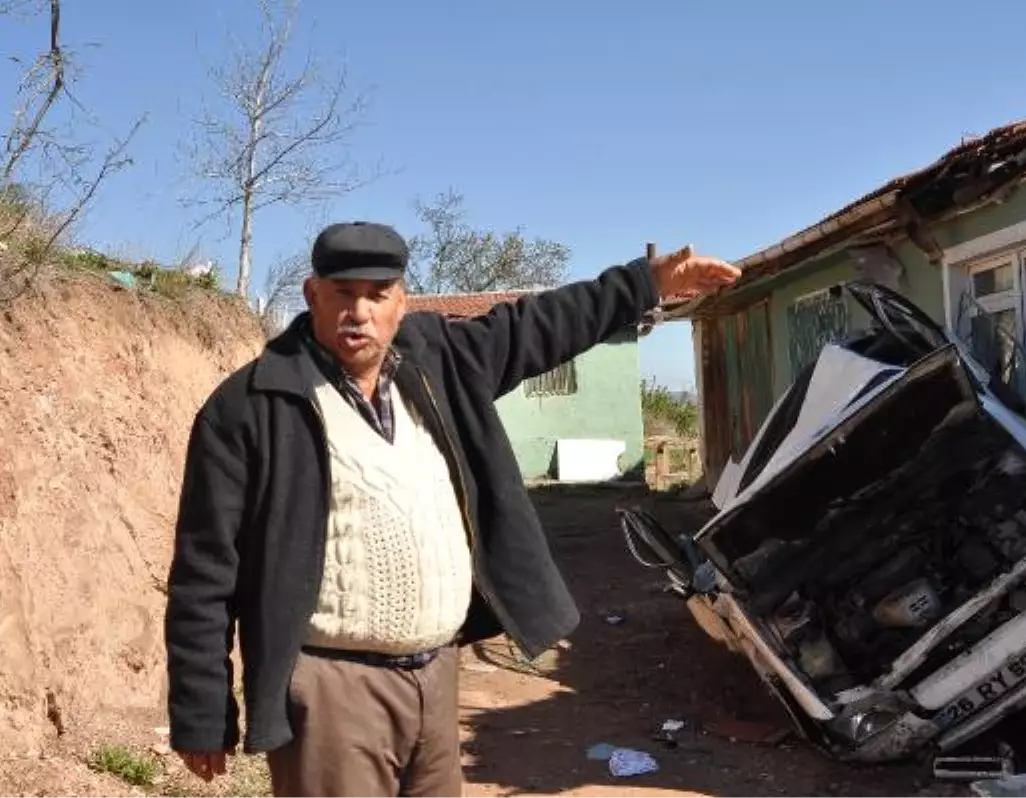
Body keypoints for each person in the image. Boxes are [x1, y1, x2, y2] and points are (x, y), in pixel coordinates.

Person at [164, 220, 741, 797]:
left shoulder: (436, 360)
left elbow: (538, 325)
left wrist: (646, 283)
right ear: (313, 294)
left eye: (376, 294)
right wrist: (202, 710)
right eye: (343, 293)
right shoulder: (251, 406)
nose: (359, 312)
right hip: (329, 688)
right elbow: (205, 572)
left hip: (435, 675)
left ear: (401, 302)